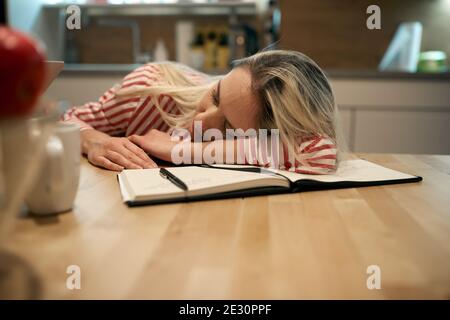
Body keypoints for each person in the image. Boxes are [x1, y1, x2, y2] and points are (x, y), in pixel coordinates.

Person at [61, 50, 344, 174]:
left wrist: (178, 151)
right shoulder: (150, 90)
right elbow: (63, 121)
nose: (200, 120)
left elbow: (318, 150)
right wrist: (92, 139)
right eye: (216, 94)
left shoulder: (280, 145)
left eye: (226, 128)